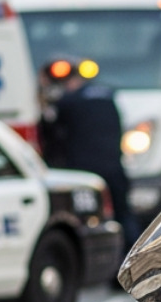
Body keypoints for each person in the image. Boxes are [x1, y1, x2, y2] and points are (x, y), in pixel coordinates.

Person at [37, 57, 139, 246]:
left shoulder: (67, 102)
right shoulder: (108, 96)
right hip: (114, 169)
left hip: (84, 173)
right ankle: (137, 262)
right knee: (124, 216)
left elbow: (50, 135)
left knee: (85, 222)